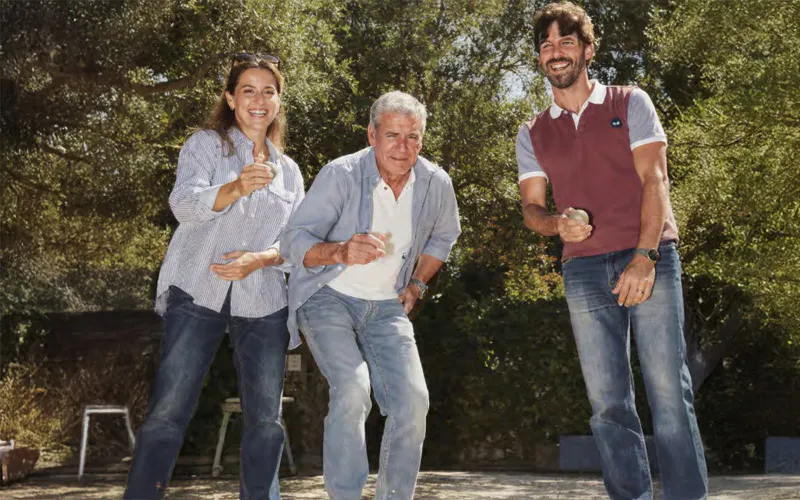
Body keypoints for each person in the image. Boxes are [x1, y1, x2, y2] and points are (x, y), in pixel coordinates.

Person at [516, 3, 708, 499]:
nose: (556, 53)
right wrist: (556, 224)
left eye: (566, 43)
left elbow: (656, 179)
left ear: (587, 50)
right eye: (547, 45)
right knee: (607, 403)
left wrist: (645, 256)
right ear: (540, 57)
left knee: (669, 392)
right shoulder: (532, 131)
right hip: (581, 269)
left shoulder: (630, 102)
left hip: (648, 257)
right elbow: (532, 209)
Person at [124, 53, 304, 500]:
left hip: (263, 302)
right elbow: (183, 205)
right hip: (197, 290)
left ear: (279, 101)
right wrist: (237, 186)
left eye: (268, 91)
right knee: (169, 410)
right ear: (230, 97)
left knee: (266, 420)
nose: (258, 100)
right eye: (248, 90)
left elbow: (295, 244)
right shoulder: (206, 145)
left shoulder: (291, 172)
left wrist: (259, 259)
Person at [280, 91, 460, 500]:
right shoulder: (341, 174)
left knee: (413, 402)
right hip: (328, 296)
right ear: (372, 136)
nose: (403, 147)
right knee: (354, 388)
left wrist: (417, 284)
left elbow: (445, 236)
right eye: (392, 135)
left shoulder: (434, 183)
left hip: (387, 306)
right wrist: (340, 250)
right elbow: (295, 240)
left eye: (412, 137)